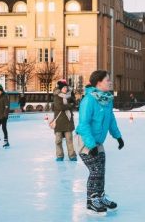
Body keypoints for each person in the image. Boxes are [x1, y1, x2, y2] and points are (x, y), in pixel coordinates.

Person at [75, 71, 124, 216]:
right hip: (85, 140)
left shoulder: (107, 99)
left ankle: (100, 196)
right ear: (98, 83)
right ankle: (92, 200)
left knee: (101, 170)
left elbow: (111, 120)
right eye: (107, 80)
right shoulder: (89, 100)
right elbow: (83, 125)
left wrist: (118, 137)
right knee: (95, 170)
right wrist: (91, 145)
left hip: (97, 141)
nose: (110, 82)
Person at [53, 80, 77, 161]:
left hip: (68, 121)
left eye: (66, 87)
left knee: (69, 140)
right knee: (58, 141)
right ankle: (60, 156)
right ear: (60, 88)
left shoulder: (69, 96)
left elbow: (75, 103)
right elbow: (60, 107)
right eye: (64, 87)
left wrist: (72, 97)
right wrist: (70, 105)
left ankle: (72, 156)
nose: (65, 89)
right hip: (59, 122)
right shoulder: (57, 97)